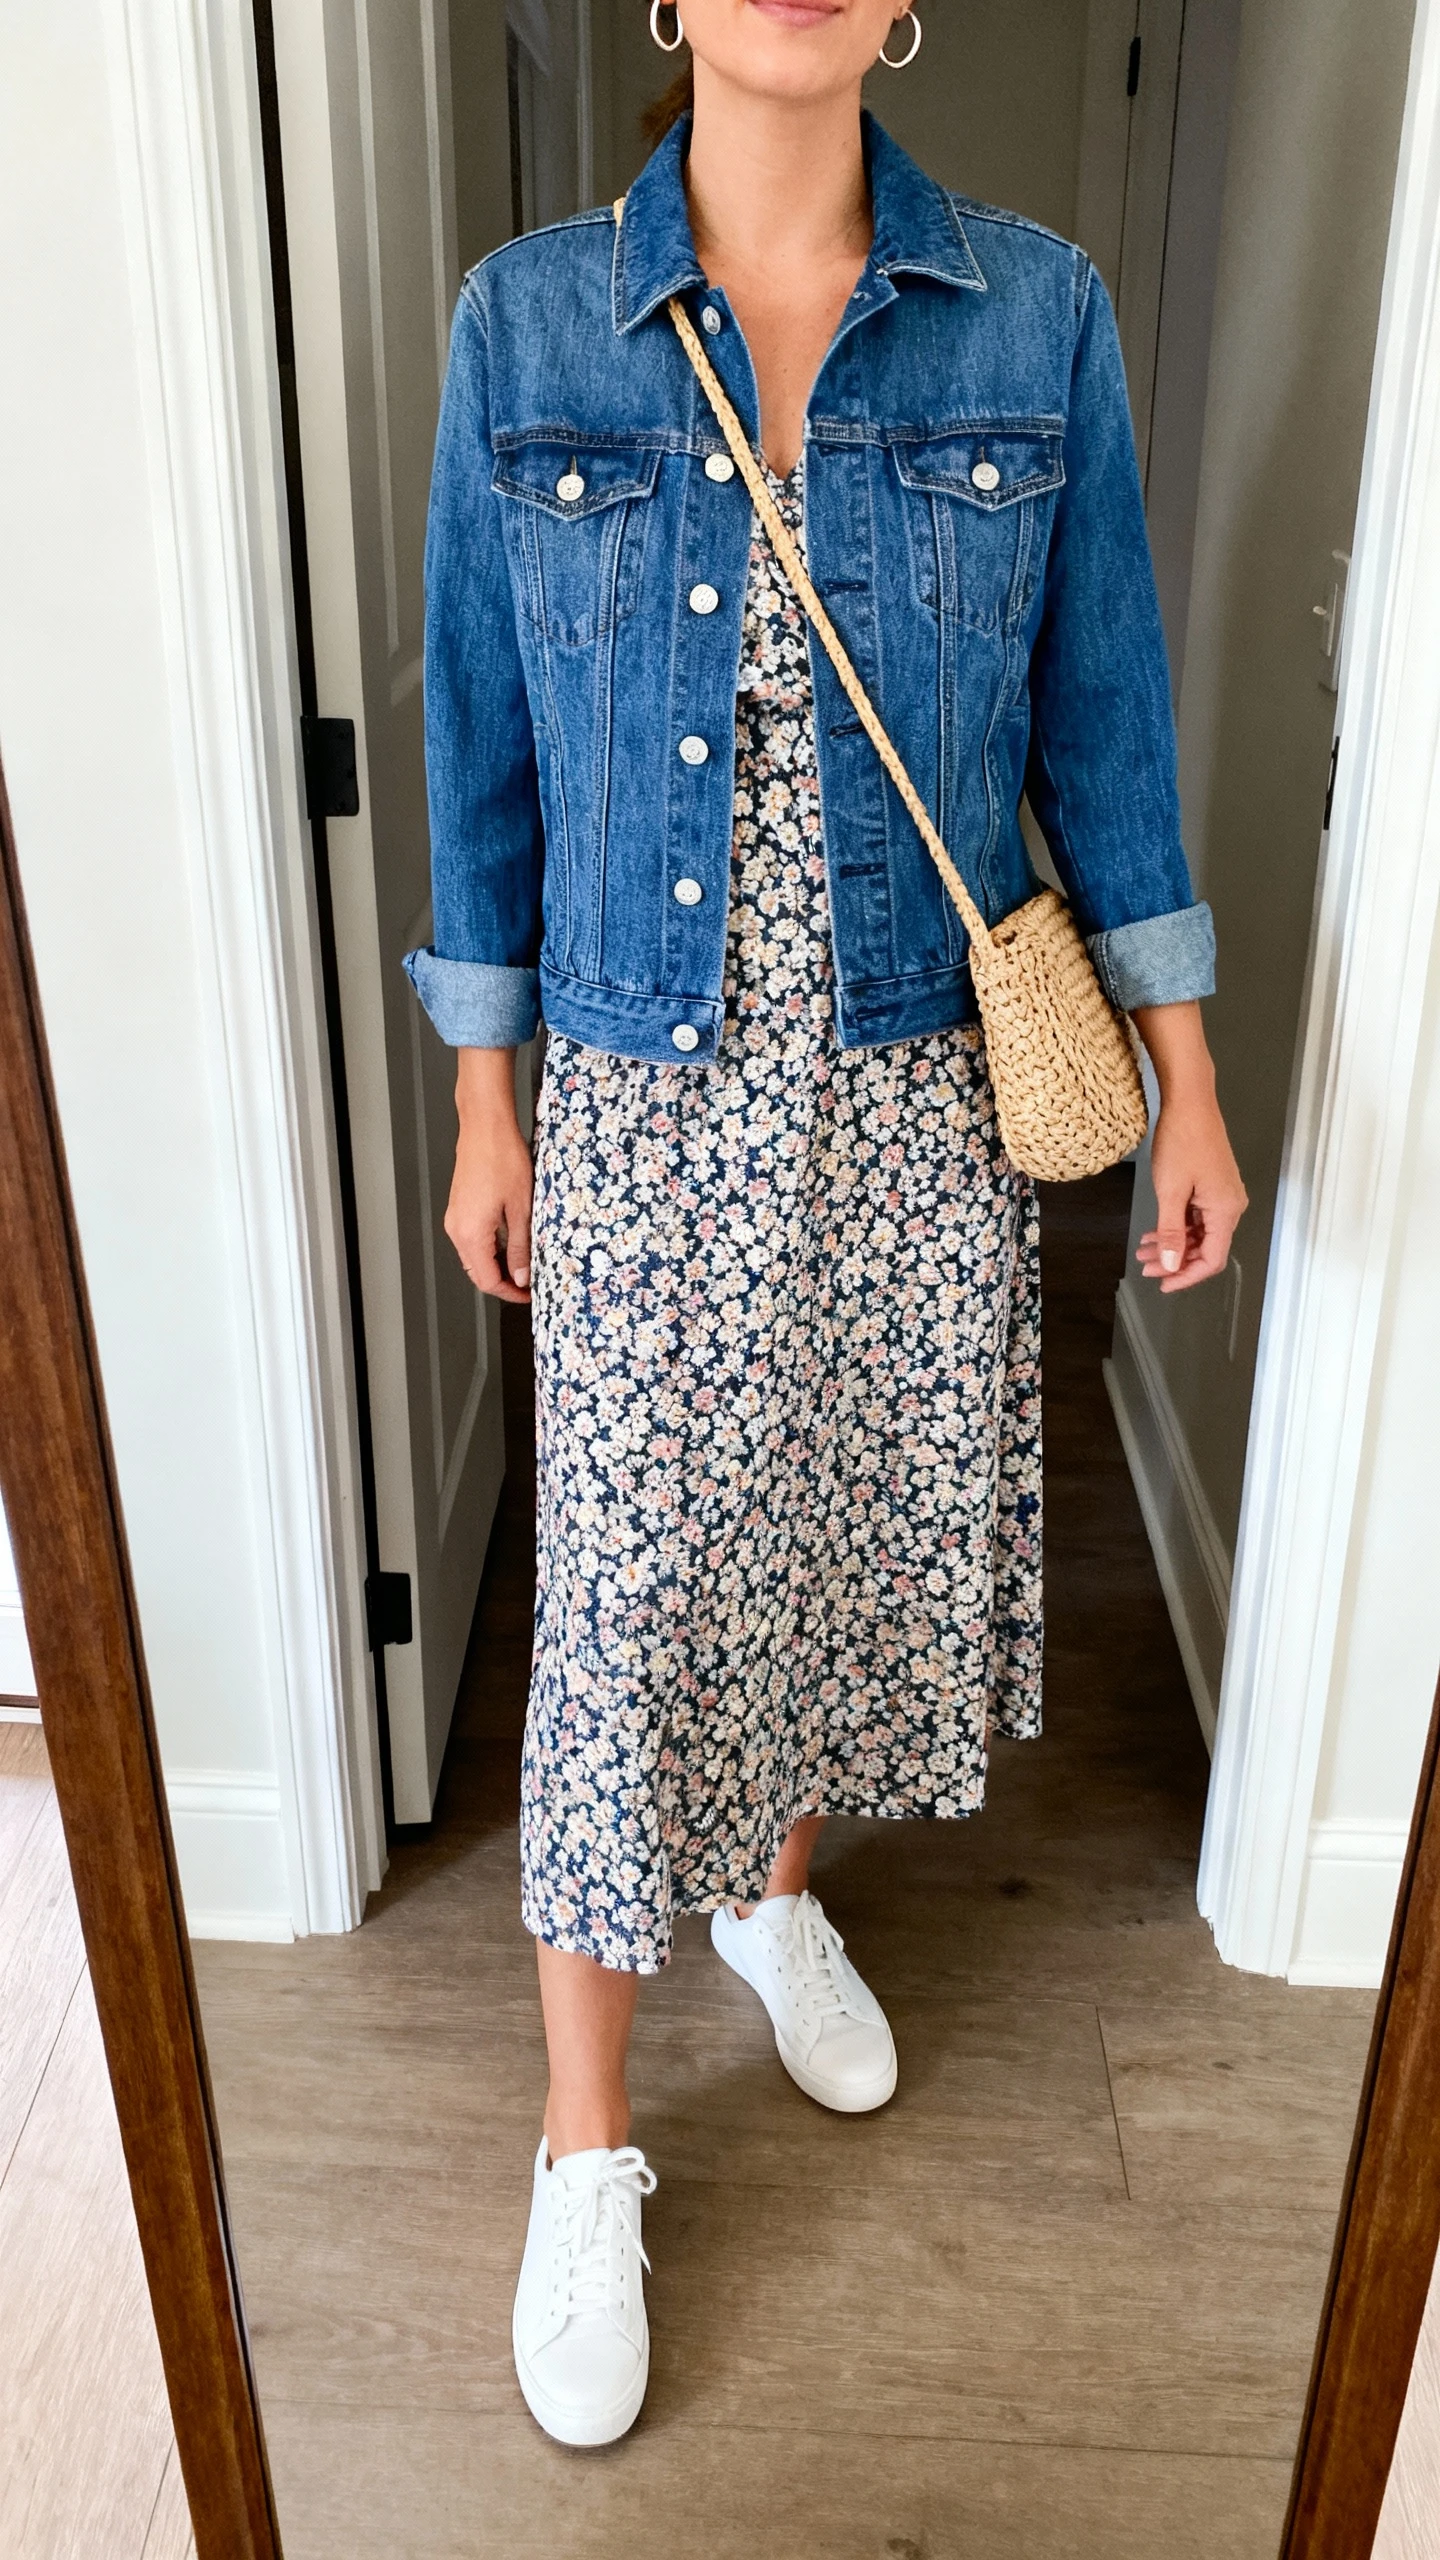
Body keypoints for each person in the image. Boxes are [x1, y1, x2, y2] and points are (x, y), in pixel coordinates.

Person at [406, 0, 1247, 2452]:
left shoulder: (1040, 314)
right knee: (631, 1602)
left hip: (920, 1082)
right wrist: (489, 1100)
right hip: (645, 1085)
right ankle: (586, 2140)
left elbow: (1109, 720)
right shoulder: (529, 323)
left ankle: (772, 1893)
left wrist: (1184, 1071)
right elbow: (474, 744)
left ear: (903, 10)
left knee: (842, 1533)